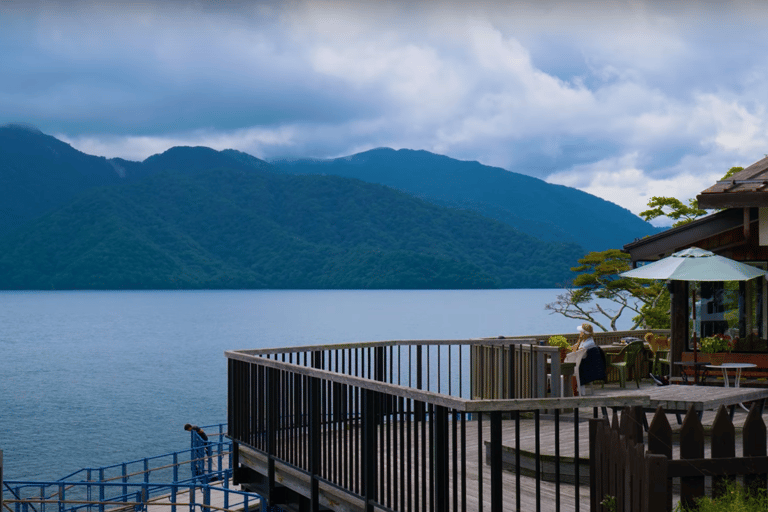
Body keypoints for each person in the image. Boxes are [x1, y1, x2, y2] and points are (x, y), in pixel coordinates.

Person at [571, 323, 606, 394]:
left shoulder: (588, 344)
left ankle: (574, 391)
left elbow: (575, 352)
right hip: (584, 364)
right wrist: (579, 341)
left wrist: (578, 341)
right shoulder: (585, 341)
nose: (579, 333)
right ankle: (574, 391)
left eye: (580, 332)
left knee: (569, 369)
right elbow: (574, 349)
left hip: (585, 367)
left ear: (584, 333)